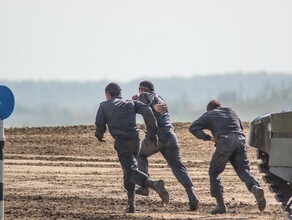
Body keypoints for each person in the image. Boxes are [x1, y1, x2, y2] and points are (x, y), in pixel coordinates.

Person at [95, 82, 169, 213]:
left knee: (130, 172)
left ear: (107, 94)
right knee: (129, 171)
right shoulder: (130, 103)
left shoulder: (104, 105)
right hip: (136, 141)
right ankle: (131, 205)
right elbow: (147, 111)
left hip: (122, 142)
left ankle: (153, 184)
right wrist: (152, 133)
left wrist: (99, 134)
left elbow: (100, 123)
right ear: (120, 94)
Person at [189, 99, 266, 214]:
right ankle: (255, 188)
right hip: (240, 140)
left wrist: (209, 138)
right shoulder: (231, 111)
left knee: (214, 172)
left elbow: (193, 128)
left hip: (225, 141)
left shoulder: (209, 114)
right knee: (244, 170)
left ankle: (221, 205)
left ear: (209, 109)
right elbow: (240, 128)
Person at [132, 80, 199, 211]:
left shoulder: (146, 95)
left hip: (158, 134)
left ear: (142, 90)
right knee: (178, 167)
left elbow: (148, 99)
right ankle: (192, 193)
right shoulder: (160, 97)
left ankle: (144, 186)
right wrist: (140, 102)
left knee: (140, 153)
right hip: (171, 135)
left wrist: (151, 104)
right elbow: (146, 106)